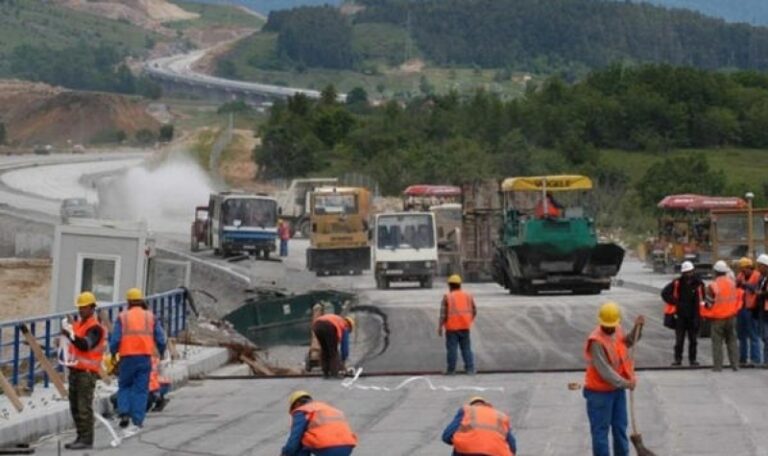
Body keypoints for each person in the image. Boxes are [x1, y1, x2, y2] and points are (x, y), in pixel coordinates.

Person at [583, 302, 644, 456]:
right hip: (599, 394)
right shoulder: (596, 341)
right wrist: (626, 383)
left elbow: (627, 342)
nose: (610, 328)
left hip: (616, 391)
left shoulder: (617, 330)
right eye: (607, 326)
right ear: (601, 322)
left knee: (620, 428)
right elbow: (605, 372)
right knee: (601, 432)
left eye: (612, 325)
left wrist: (638, 328)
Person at [109, 288, 166, 436]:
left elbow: (115, 340)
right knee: (141, 390)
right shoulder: (150, 316)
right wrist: (161, 351)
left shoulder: (123, 317)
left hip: (127, 357)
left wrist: (113, 352)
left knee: (125, 386)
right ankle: (137, 421)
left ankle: (124, 413)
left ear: (128, 302)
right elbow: (161, 338)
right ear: (141, 301)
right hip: (144, 358)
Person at [62, 292, 106, 450]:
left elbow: (85, 345)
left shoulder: (95, 328)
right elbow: (73, 344)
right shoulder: (78, 325)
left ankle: (86, 439)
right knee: (74, 406)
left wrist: (70, 335)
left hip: (86, 373)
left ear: (92, 308)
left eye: (84, 307)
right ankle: (80, 436)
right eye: (79, 307)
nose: (81, 310)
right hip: (75, 371)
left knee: (83, 406)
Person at [281, 390, 357, 456]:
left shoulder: (302, 411)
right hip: (347, 447)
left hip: (327, 448)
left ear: (297, 404)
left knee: (300, 440)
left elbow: (295, 437)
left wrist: (286, 453)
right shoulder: (327, 408)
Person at [660, 261, 705, 366]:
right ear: (683, 273)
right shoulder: (677, 283)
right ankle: (678, 359)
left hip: (694, 316)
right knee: (679, 340)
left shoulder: (699, 284)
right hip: (680, 317)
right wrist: (674, 301)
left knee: (693, 340)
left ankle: (692, 360)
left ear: (693, 271)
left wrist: (700, 316)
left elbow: (702, 300)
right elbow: (664, 293)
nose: (688, 274)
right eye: (686, 272)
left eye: (689, 272)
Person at [441, 396, 517, 456]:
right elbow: (512, 447)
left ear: (471, 405)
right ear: (486, 404)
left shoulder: (467, 410)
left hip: (468, 451)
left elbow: (446, 436)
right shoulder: (501, 416)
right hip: (497, 452)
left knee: (458, 447)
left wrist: (458, 442)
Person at [702, 261, 740, 372]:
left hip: (718, 318)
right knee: (732, 341)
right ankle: (735, 365)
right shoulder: (733, 284)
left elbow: (708, 304)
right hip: (731, 317)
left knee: (717, 343)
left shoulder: (713, 286)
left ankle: (718, 367)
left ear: (715, 272)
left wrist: (703, 309)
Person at [438, 274, 477, 375]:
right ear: (460, 285)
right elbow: (474, 311)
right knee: (466, 348)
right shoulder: (468, 296)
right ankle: (470, 369)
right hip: (465, 327)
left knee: (452, 349)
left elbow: (443, 314)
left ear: (450, 286)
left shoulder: (447, 297)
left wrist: (440, 327)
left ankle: (451, 370)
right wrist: (468, 321)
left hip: (451, 328)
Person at [736, 257, 762, 366]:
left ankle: (755, 359)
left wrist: (745, 284)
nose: (742, 271)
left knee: (753, 335)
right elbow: (736, 287)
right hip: (741, 308)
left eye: (744, 269)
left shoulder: (757, 276)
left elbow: (757, 289)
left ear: (750, 267)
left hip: (752, 309)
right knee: (742, 335)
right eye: (741, 269)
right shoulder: (740, 275)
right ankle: (743, 358)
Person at [311, 314, 354, 378]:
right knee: (333, 352)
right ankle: (335, 374)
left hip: (317, 325)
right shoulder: (345, 325)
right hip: (329, 326)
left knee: (325, 350)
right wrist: (343, 359)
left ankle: (325, 373)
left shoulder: (337, 320)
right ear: (349, 326)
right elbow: (344, 347)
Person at [754, 254, 768, 363]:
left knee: (766, 337)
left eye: (760, 266)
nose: (758, 269)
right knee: (764, 336)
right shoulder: (762, 278)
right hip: (763, 310)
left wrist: (761, 293)